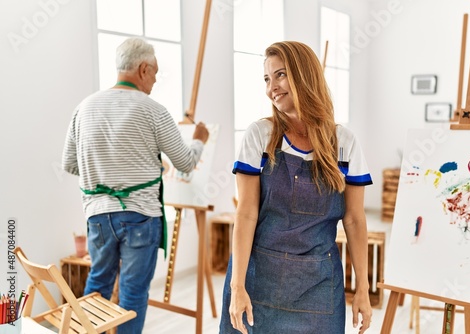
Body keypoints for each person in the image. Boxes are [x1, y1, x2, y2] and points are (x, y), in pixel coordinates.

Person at [219, 41, 373, 334]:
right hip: (257, 279)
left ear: (304, 75)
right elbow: (247, 213)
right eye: (266, 78)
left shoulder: (345, 143)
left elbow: (354, 219)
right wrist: (237, 285)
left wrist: (362, 289)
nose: (271, 87)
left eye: (280, 75)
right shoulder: (260, 135)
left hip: (319, 286)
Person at [62, 37, 209, 333]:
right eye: (154, 72)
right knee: (133, 292)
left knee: (97, 285)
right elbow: (184, 163)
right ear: (143, 69)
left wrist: (104, 174)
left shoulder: (85, 107)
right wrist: (199, 141)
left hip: (98, 217)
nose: (154, 80)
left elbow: (69, 164)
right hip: (142, 217)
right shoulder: (153, 110)